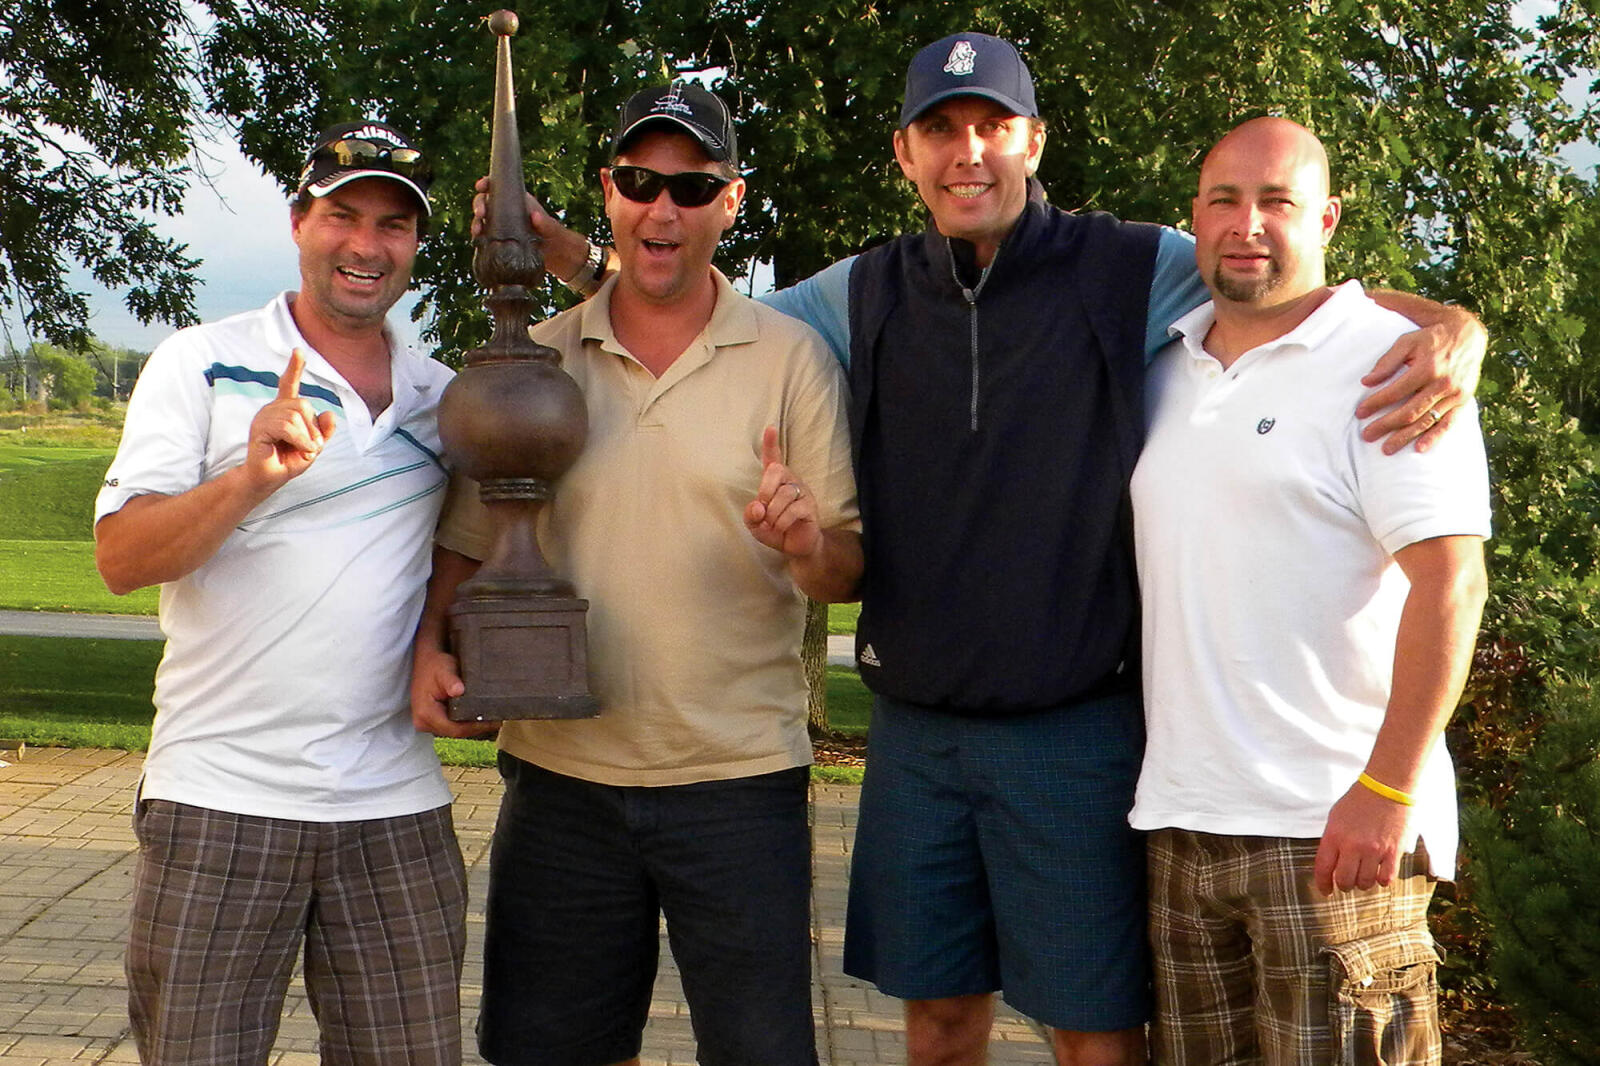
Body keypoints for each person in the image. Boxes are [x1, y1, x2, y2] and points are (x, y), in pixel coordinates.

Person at [512, 34, 1485, 1066]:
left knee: (1093, 1033)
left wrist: (1449, 324)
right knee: (935, 1025)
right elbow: (704, 305)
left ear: (1031, 141)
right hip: (916, 733)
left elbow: (1277, 283)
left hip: (1072, 728)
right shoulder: (863, 291)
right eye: (940, 129)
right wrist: (581, 255)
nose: (965, 151)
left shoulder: (1130, 266)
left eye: (990, 126)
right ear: (904, 152)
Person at [413, 82, 861, 1066]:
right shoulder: (536, 356)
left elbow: (842, 566)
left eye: (692, 187)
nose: (662, 208)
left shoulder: (791, 360)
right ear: (607, 193)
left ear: (730, 202)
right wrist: (428, 651)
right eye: (638, 182)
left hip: (738, 780)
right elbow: (469, 536)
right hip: (563, 775)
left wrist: (801, 542)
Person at [93, 121, 468, 1066]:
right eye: (343, 215)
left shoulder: (443, 397)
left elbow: (460, 556)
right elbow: (121, 557)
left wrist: (437, 643)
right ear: (300, 222)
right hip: (220, 802)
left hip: (393, 806)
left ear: (416, 244)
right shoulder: (200, 360)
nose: (365, 245)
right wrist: (250, 478)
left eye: (393, 224)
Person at [1128, 116, 1489, 1065]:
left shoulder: (1397, 366)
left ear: (1326, 219)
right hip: (1182, 825)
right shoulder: (1166, 365)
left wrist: (1387, 788)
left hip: (1333, 831)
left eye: (1277, 201)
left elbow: (1451, 584)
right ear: (1193, 219)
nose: (1247, 223)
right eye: (1224, 200)